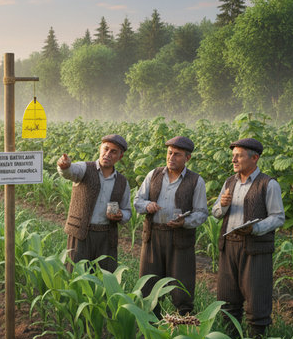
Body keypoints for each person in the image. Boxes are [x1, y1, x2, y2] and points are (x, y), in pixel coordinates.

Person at [212, 138, 285, 339]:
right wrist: (223, 205)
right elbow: (216, 213)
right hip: (229, 247)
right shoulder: (229, 182)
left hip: (255, 249)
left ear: (254, 158)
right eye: (233, 155)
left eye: (239, 155)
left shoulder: (268, 184)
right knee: (227, 297)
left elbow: (278, 217)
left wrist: (255, 228)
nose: (234, 160)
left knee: (256, 298)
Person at [134, 136, 208, 316]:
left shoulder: (196, 181)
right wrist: (147, 206)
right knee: (149, 284)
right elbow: (138, 200)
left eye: (177, 154)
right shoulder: (153, 175)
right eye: (169, 153)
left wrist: (184, 222)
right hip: (153, 237)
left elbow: (201, 213)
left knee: (181, 286)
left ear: (187, 158)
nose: (171, 158)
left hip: (180, 239)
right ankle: (150, 328)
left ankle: (181, 328)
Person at [57, 134, 131, 272]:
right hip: (80, 233)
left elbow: (127, 210)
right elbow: (70, 172)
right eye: (106, 149)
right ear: (100, 149)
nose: (107, 154)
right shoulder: (84, 168)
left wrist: (121, 215)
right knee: (76, 275)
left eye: (113, 152)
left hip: (106, 237)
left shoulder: (122, 182)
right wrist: (64, 166)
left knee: (104, 277)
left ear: (120, 157)